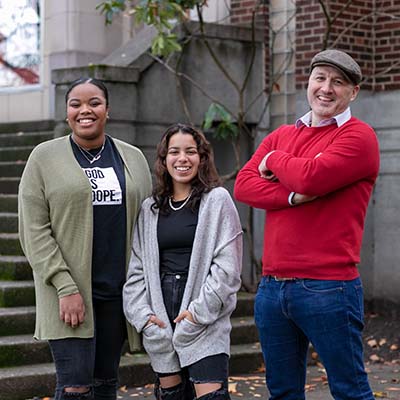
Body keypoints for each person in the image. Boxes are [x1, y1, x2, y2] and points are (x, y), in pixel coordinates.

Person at [234, 49, 380, 400]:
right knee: (283, 392)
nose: (326, 89)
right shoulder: (282, 133)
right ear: (309, 82)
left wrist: (272, 160)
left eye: (338, 82)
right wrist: (291, 195)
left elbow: (311, 178)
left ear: (353, 92)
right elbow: (243, 185)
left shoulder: (359, 137)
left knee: (350, 391)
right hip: (271, 289)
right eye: (320, 78)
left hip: (329, 288)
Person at [18, 77, 152, 400]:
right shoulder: (44, 158)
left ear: (107, 110)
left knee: (106, 383)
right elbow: (33, 229)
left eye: (94, 102)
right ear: (67, 114)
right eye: (75, 104)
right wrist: (64, 285)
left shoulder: (132, 158)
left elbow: (147, 223)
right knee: (75, 387)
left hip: (116, 295)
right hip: (69, 296)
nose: (85, 110)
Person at [123, 123, 243, 400]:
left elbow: (228, 269)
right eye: (174, 152)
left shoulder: (217, 200)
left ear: (201, 158)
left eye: (190, 151)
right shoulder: (150, 208)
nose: (182, 158)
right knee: (173, 395)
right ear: (164, 160)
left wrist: (198, 314)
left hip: (204, 313)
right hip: (161, 316)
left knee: (210, 396)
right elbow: (136, 270)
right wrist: (144, 318)